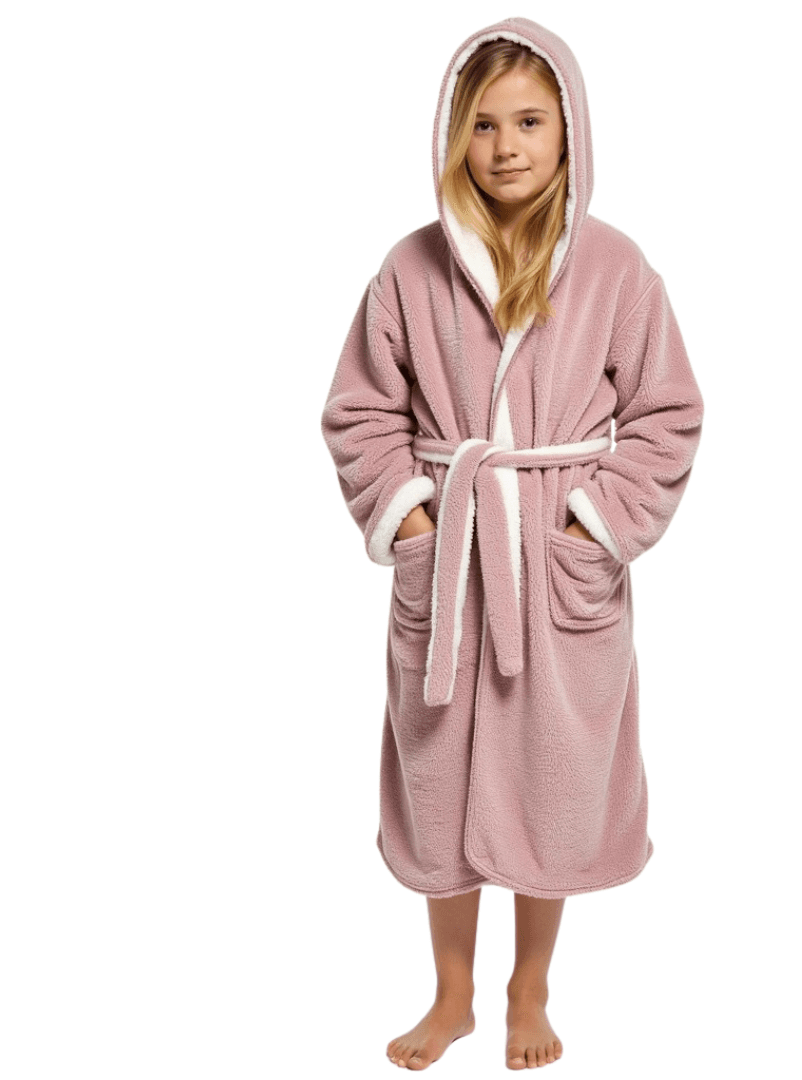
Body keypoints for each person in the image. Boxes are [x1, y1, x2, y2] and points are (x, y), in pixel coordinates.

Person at [320, 16, 704, 1070]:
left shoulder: (616, 268)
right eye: (483, 125)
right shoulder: (409, 269)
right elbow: (359, 411)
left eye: (530, 121)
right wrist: (411, 519)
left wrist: (593, 528)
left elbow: (668, 413)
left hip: (557, 571)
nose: (506, 147)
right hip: (451, 567)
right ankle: (451, 994)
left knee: (554, 779)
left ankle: (530, 985)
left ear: (570, 127)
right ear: (455, 136)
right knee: (437, 777)